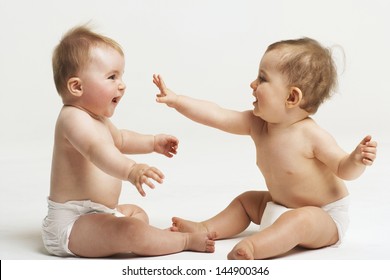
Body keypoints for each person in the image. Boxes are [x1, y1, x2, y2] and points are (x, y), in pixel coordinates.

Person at [152, 37, 377, 260]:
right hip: (280, 204)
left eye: (262, 78)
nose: (252, 84)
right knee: (247, 202)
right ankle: (205, 228)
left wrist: (355, 160)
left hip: (323, 217)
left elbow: (342, 168)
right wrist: (177, 100)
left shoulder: (311, 135)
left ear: (291, 97)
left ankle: (254, 247)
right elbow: (217, 115)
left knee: (300, 220)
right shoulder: (257, 124)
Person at [42, 25, 215, 258]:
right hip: (73, 223)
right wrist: (131, 169)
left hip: (103, 213)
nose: (122, 84)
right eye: (112, 77)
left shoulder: (98, 119)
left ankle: (150, 238)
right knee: (131, 229)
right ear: (77, 86)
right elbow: (97, 151)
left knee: (136, 214)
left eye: (121, 76)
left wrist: (152, 142)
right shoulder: (72, 118)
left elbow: (121, 139)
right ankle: (182, 240)